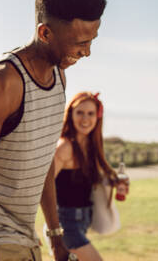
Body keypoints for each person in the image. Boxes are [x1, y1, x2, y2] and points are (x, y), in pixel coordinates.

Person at [0, 0, 107, 261]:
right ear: (45, 33)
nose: (87, 52)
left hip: (25, 237)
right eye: (80, 42)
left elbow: (43, 164)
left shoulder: (59, 77)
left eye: (92, 40)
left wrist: (56, 235)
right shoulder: (4, 82)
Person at [53, 92, 127, 261]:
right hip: (66, 225)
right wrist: (52, 231)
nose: (85, 118)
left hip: (82, 222)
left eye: (90, 113)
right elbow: (44, 186)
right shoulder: (65, 147)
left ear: (98, 116)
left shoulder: (91, 147)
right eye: (80, 112)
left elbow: (95, 180)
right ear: (70, 114)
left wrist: (116, 182)